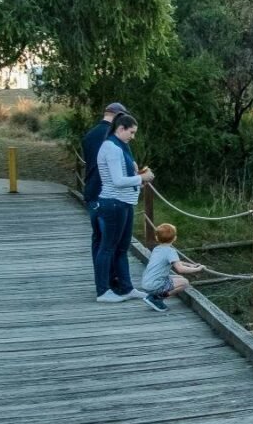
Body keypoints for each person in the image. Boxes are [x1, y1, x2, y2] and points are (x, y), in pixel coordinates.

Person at [92, 113, 155, 303]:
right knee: (108, 248)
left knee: (121, 248)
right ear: (120, 128)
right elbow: (117, 181)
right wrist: (142, 178)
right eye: (131, 132)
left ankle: (126, 288)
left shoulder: (121, 146)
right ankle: (103, 291)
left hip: (124, 203)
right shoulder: (111, 148)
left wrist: (137, 179)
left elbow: (122, 177)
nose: (133, 136)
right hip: (113, 204)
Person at [82, 102, 128, 287]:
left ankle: (101, 280)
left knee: (98, 239)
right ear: (118, 116)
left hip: (92, 191)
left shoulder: (89, 135)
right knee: (111, 243)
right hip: (108, 194)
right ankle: (109, 282)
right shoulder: (112, 137)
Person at [139, 223, 204, 313]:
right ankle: (156, 298)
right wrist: (197, 269)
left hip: (147, 282)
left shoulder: (157, 248)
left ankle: (153, 296)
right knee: (185, 283)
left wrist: (190, 265)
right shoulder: (170, 251)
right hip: (154, 285)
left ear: (157, 238)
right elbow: (180, 269)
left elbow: (175, 261)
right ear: (175, 238)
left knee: (179, 278)